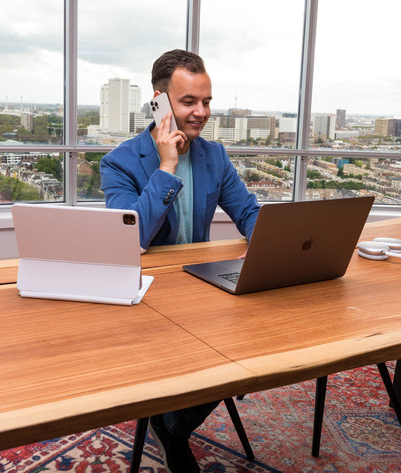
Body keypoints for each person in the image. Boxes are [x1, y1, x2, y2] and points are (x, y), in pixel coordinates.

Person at [100, 49, 260, 472]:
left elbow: (247, 212)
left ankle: (172, 425)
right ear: (160, 101)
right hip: (146, 298)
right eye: (189, 101)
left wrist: (273, 239)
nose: (202, 112)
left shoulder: (215, 157)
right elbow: (130, 239)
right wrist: (167, 166)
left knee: (259, 343)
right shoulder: (119, 162)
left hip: (200, 290)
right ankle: (172, 428)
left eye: (206, 101)